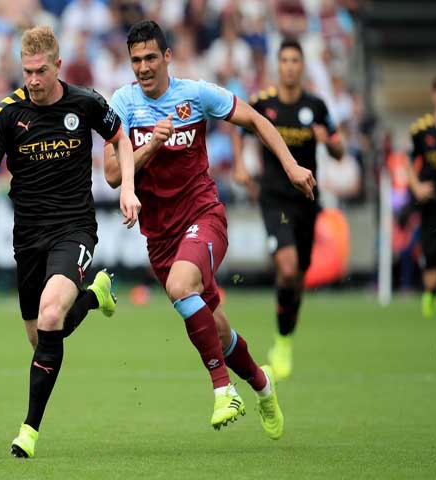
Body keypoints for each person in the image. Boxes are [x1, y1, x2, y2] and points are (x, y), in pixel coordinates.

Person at [104, 21, 314, 437]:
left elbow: (255, 119)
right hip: (160, 237)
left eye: (150, 58)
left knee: (182, 286)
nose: (143, 68)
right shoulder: (123, 103)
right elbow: (112, 173)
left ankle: (223, 390)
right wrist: (151, 145)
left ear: (167, 56)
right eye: (136, 61)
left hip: (204, 216)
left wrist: (290, 165)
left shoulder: (196, 94)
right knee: (217, 329)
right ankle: (263, 385)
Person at [0, 26, 140, 458]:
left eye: (41, 71)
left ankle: (29, 431)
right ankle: (95, 296)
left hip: (74, 229)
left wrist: (127, 188)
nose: (34, 80)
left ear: (57, 65)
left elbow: (122, 140)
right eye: (27, 72)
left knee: (50, 312)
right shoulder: (7, 114)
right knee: (41, 335)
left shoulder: (86, 102)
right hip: (28, 239)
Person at [233, 39, 344, 380]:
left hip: (307, 200)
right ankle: (282, 342)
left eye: (296, 60)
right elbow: (240, 126)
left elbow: (340, 150)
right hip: (274, 198)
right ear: (277, 66)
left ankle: (286, 334)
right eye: (285, 60)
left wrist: (330, 143)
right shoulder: (264, 103)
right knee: (288, 265)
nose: (290, 66)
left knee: (297, 276)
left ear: (302, 66)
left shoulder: (317, 106)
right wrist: (239, 164)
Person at [406, 77, 436, 319]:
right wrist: (416, 186)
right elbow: (408, 162)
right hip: (430, 203)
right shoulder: (421, 130)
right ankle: (430, 295)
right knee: (431, 258)